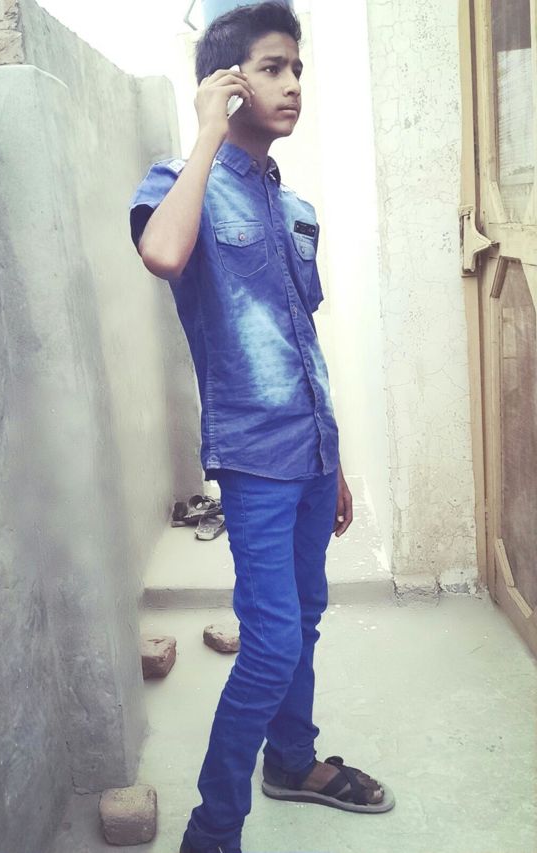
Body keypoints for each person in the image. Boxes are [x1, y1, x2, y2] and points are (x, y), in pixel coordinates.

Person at [129, 3, 395, 851]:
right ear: (229, 81)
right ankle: (213, 830)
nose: (293, 85)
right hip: (254, 460)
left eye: (298, 69)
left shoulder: (295, 205)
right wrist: (207, 132)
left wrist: (336, 460)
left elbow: (301, 337)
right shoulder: (180, 183)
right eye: (273, 68)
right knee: (272, 642)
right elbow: (163, 254)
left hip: (312, 453)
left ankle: (292, 760)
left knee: (304, 615)